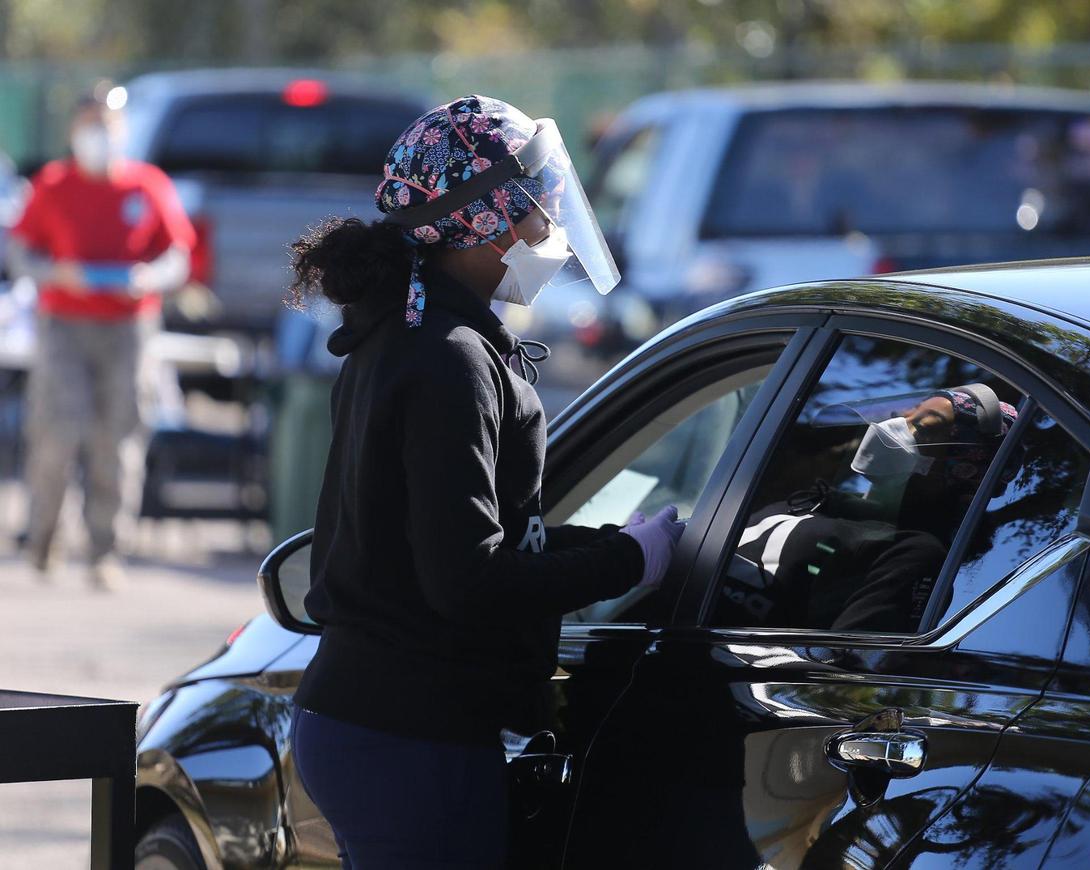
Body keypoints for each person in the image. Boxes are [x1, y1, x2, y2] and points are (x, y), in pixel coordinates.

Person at [287, 95, 686, 869]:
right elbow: (467, 579)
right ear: (487, 223)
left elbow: (466, 536)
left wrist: (608, 544)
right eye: (540, 212)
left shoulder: (409, 333)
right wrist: (627, 563)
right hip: (408, 734)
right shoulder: (448, 356)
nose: (551, 232)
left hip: (376, 721)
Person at [6, 91, 195, 588]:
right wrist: (54, 272)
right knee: (58, 430)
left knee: (119, 436)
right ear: (73, 129)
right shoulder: (52, 184)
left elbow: (177, 255)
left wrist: (147, 277)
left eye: (106, 124)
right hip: (64, 325)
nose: (98, 134)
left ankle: (104, 551)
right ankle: (44, 537)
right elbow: (20, 251)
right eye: (89, 123)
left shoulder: (147, 185)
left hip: (129, 327)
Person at [719, 385, 1018, 633]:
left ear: (963, 469)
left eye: (923, 427)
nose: (892, 427)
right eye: (902, 416)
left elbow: (839, 667)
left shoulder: (913, 552)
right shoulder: (814, 502)